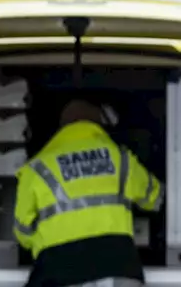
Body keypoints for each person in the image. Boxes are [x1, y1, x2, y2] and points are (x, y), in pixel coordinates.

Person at [15, 97, 163, 287]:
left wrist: (47, 242)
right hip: (119, 268)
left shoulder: (36, 169)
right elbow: (155, 197)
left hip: (57, 271)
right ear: (98, 126)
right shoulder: (120, 158)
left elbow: (22, 232)